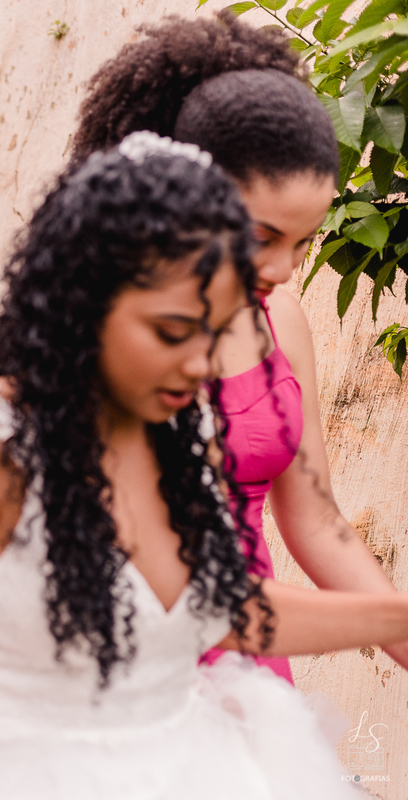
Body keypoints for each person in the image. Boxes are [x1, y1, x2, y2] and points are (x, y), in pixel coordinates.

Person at [0, 133, 408, 800]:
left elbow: (220, 611)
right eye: (173, 332)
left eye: (218, 331)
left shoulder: (182, 432)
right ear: (84, 301)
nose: (202, 366)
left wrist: (395, 619)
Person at [71, 11, 408, 681]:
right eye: (261, 238)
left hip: (251, 685)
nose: (285, 272)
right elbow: (180, 586)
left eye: (302, 244)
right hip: (127, 685)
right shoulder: (91, 340)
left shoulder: (277, 322)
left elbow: (313, 520)